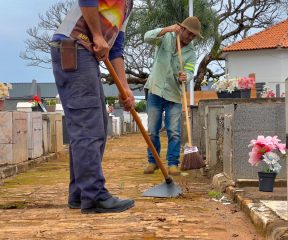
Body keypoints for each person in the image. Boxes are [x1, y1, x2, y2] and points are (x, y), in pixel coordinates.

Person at [50, 0, 135, 214]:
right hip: (74, 46)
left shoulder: (127, 5)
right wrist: (97, 35)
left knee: (96, 124)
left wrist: (124, 88)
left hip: (87, 55)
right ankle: (94, 195)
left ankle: (80, 193)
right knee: (88, 125)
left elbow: (115, 48)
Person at [143, 16, 202, 176]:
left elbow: (190, 71)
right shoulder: (166, 38)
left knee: (174, 132)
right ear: (181, 29)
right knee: (152, 130)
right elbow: (147, 37)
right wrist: (167, 29)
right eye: (189, 33)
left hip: (174, 94)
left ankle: (173, 164)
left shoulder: (191, 53)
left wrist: (186, 77)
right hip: (155, 89)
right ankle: (152, 161)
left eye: (193, 36)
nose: (190, 38)